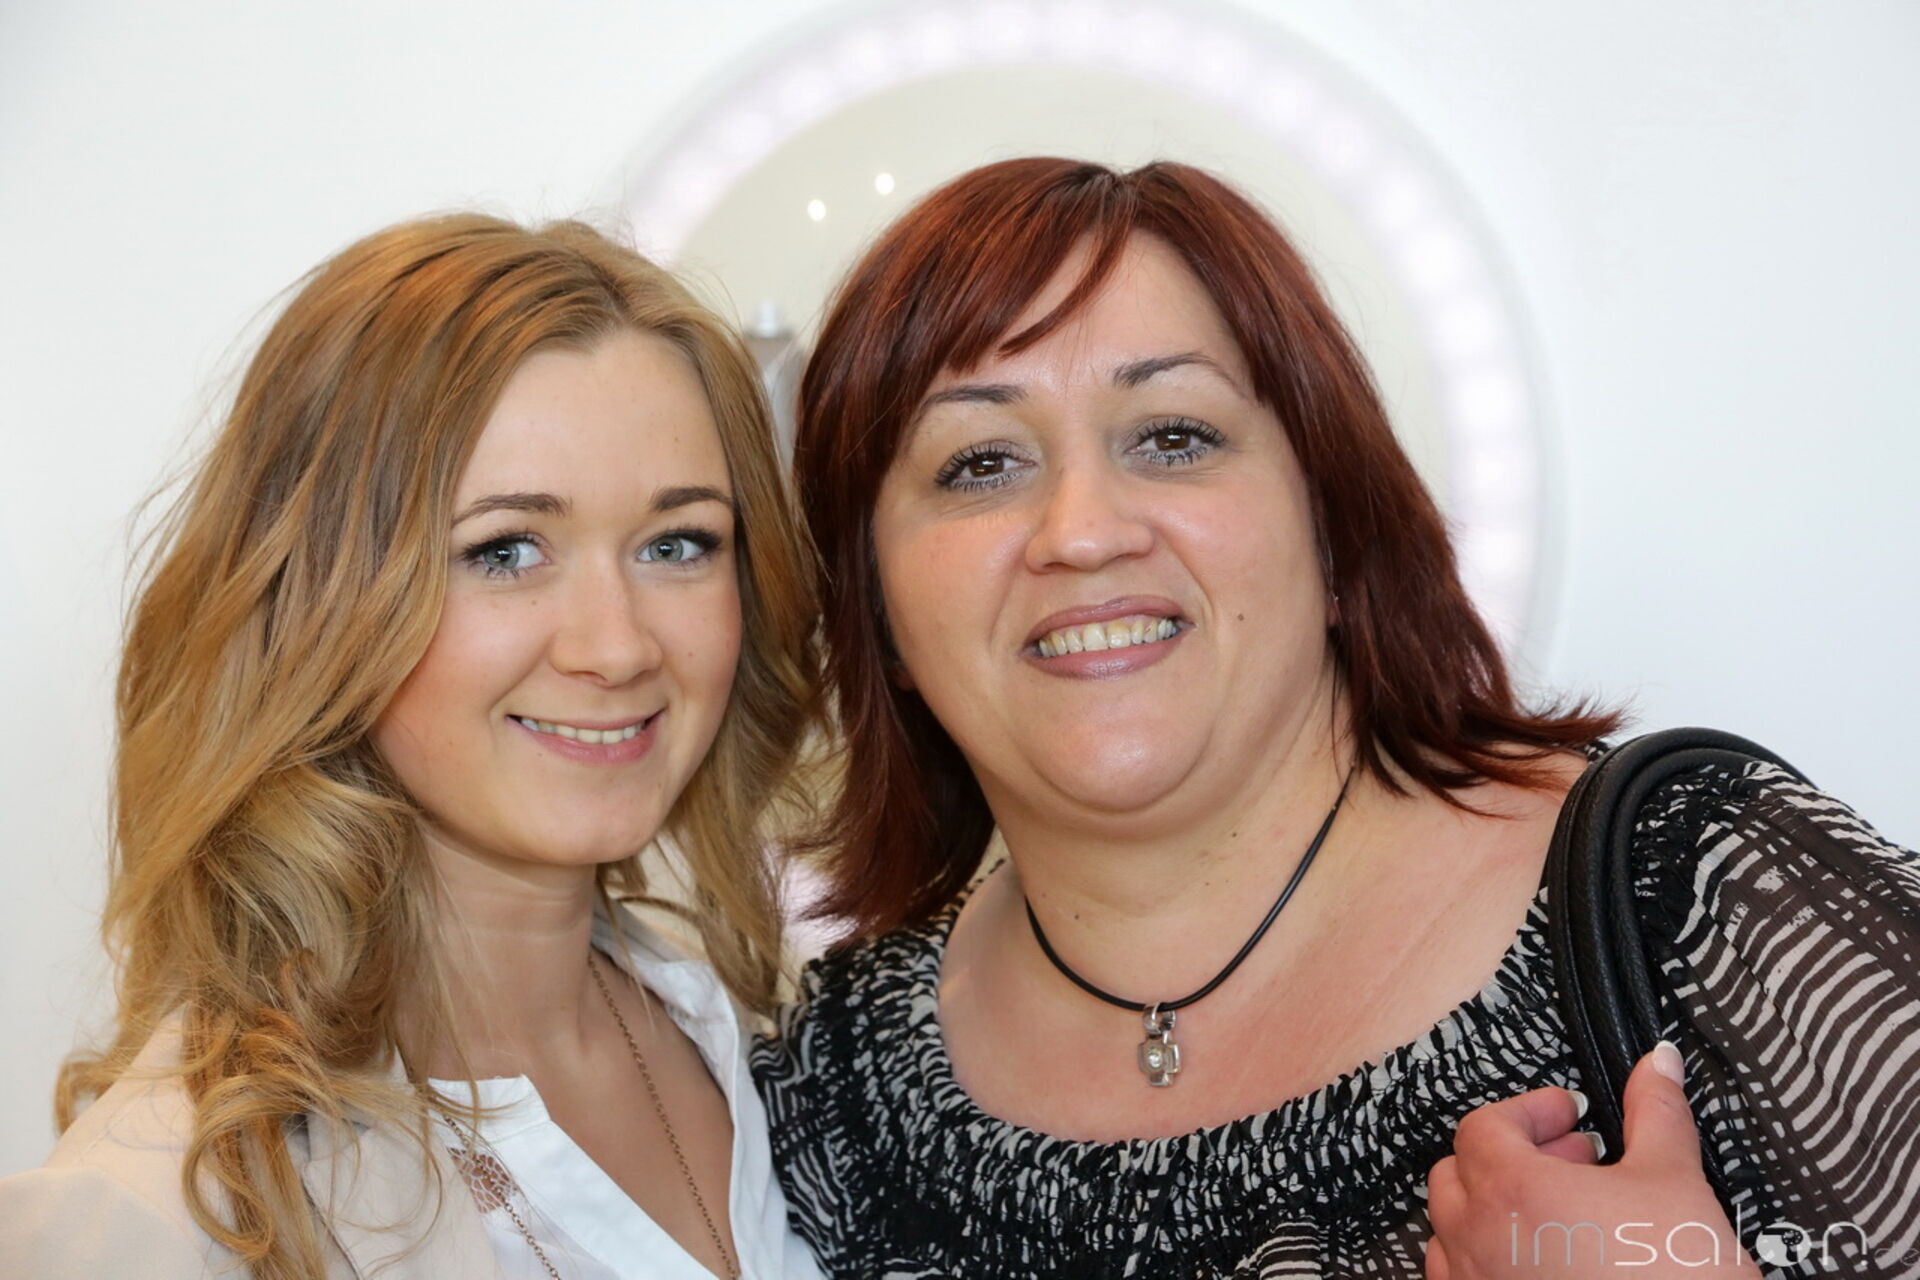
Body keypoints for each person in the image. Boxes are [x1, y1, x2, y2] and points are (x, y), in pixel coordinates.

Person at [751, 158, 1920, 1278]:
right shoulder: (841, 1097)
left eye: (1173, 436)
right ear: (878, 613)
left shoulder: (1706, 901)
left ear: (1333, 527)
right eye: (980, 463)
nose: (1084, 531)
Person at [0, 214, 826, 1280]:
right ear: (317, 603)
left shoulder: (743, 1030)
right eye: (506, 550)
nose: (618, 645)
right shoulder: (158, 1212)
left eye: (677, 543)